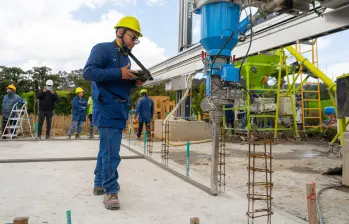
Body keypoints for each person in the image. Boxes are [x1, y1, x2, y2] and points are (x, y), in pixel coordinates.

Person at [83, 16, 144, 210]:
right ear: (120, 32)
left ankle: (99, 183)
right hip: (106, 107)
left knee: (105, 149)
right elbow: (89, 73)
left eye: (136, 39)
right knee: (111, 152)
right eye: (132, 37)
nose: (134, 42)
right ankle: (111, 190)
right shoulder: (102, 49)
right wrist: (119, 73)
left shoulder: (125, 57)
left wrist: (133, 82)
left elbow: (118, 85)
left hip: (118, 108)